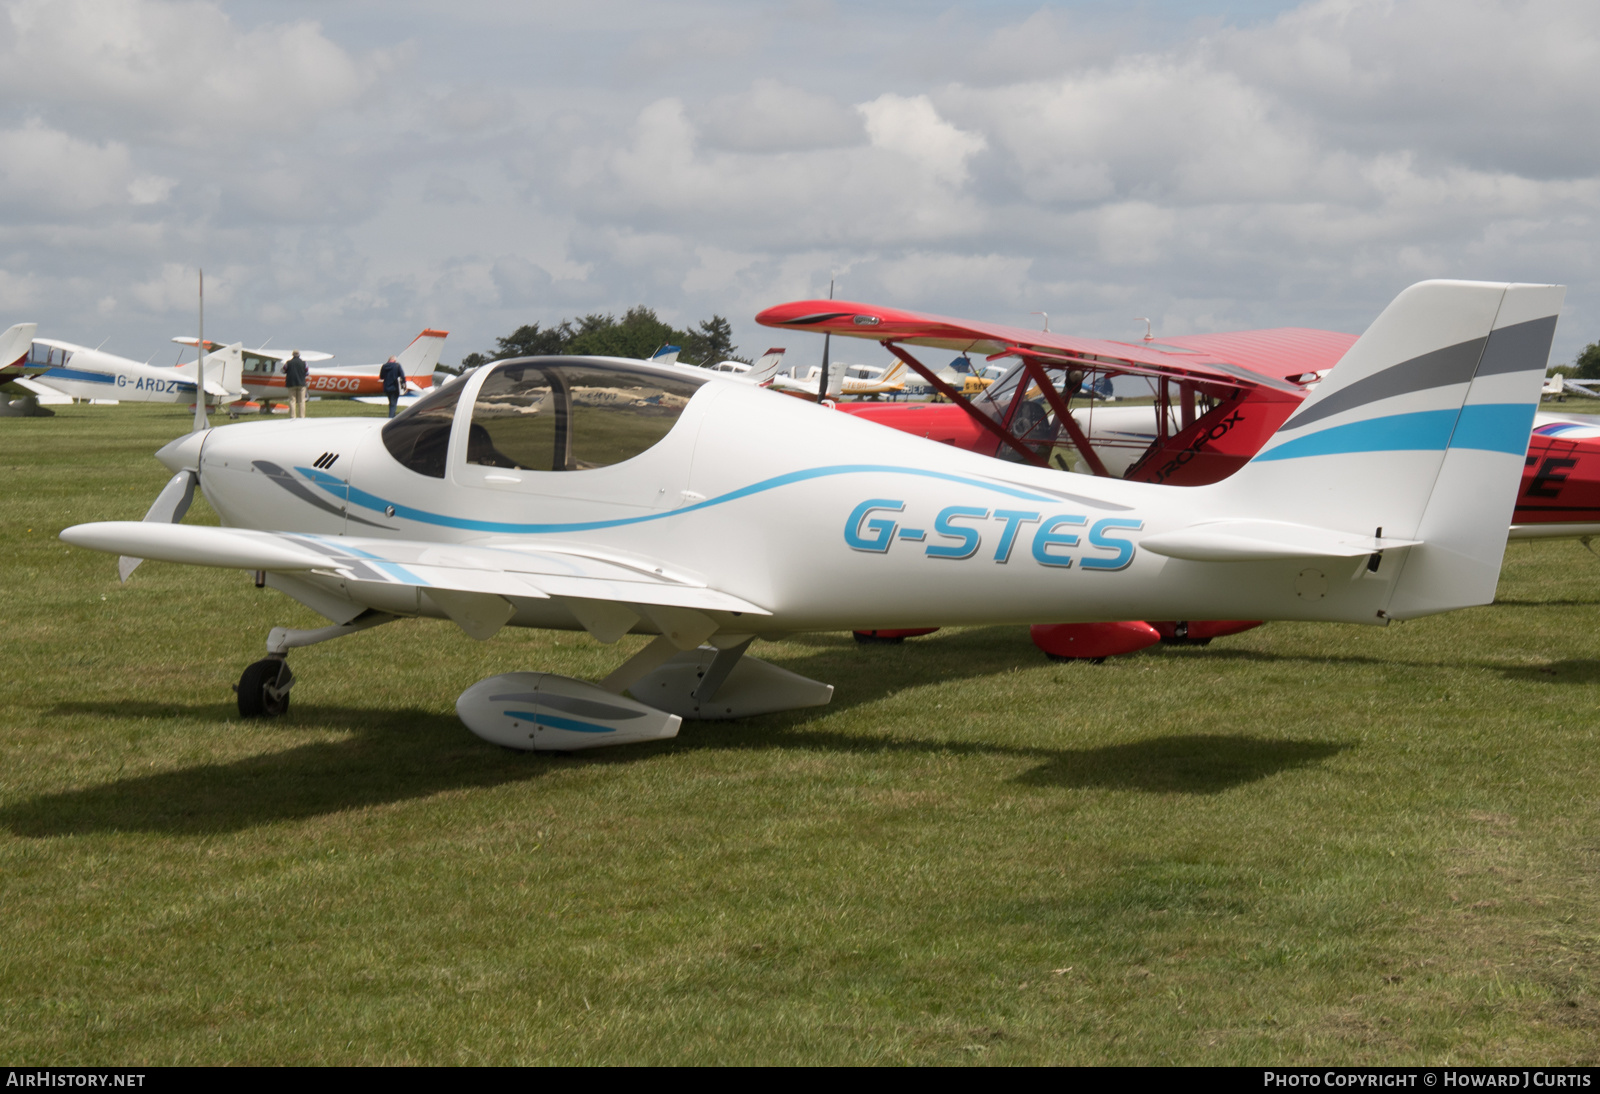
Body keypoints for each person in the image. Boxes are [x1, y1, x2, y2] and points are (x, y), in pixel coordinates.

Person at [283, 350, 308, 419]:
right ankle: (302, 416)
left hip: (291, 384)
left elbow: (283, 370)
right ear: (299, 355)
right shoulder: (304, 363)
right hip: (301, 384)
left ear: (293, 355)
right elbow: (307, 372)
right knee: (301, 400)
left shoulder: (288, 363)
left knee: (292, 400)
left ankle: (292, 416)